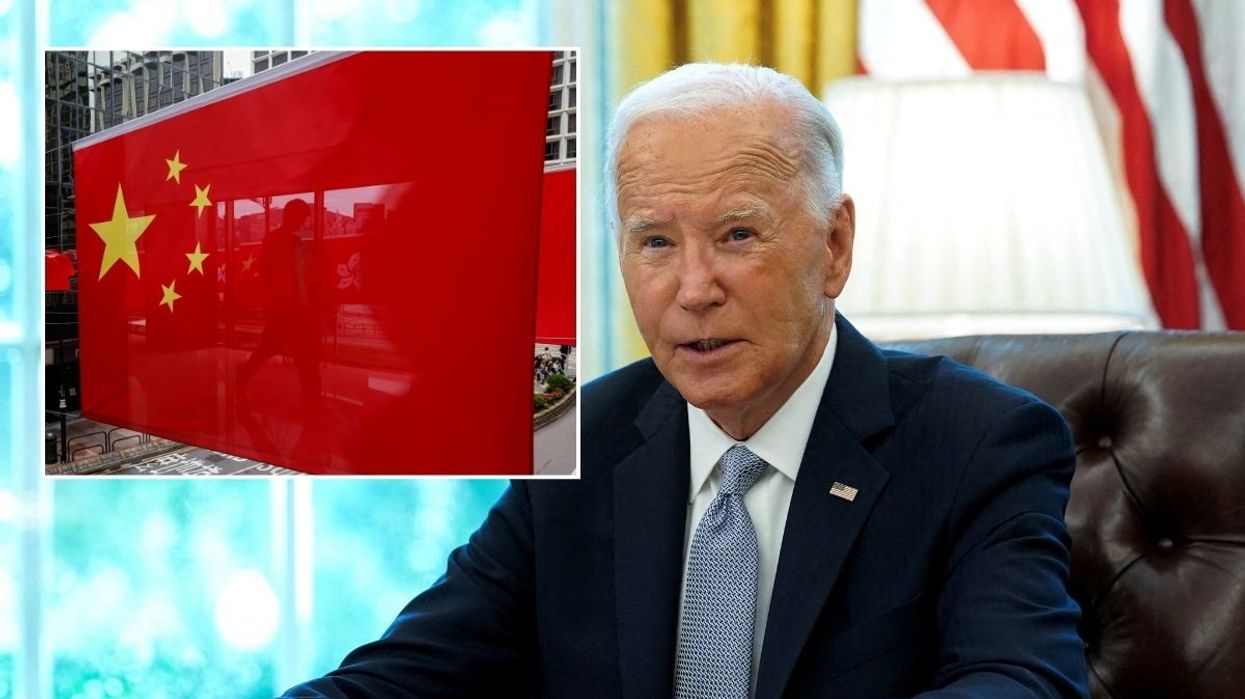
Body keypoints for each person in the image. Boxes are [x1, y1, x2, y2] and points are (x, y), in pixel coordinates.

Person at [283, 63, 1088, 698]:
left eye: (738, 234)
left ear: (834, 245)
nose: (693, 287)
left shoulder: (977, 443)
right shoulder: (581, 439)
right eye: (656, 243)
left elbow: (1023, 677)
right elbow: (407, 673)